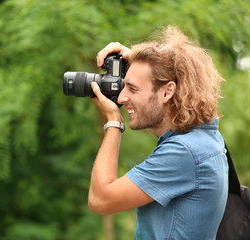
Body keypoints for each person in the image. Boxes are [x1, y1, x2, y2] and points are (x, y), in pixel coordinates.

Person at [88, 26, 228, 239]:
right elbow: (158, 100)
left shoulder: (185, 152)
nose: (122, 98)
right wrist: (145, 64)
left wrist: (114, 121)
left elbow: (100, 199)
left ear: (168, 91)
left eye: (132, 89)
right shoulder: (206, 138)